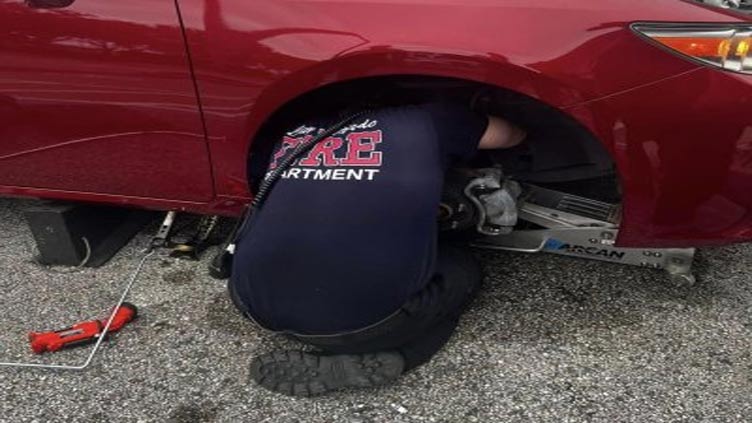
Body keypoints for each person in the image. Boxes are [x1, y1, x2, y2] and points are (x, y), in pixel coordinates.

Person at [229, 101, 525, 397]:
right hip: (357, 325)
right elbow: (512, 135)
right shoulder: (433, 119)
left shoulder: (295, 132)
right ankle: (403, 355)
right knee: (464, 271)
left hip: (249, 303)